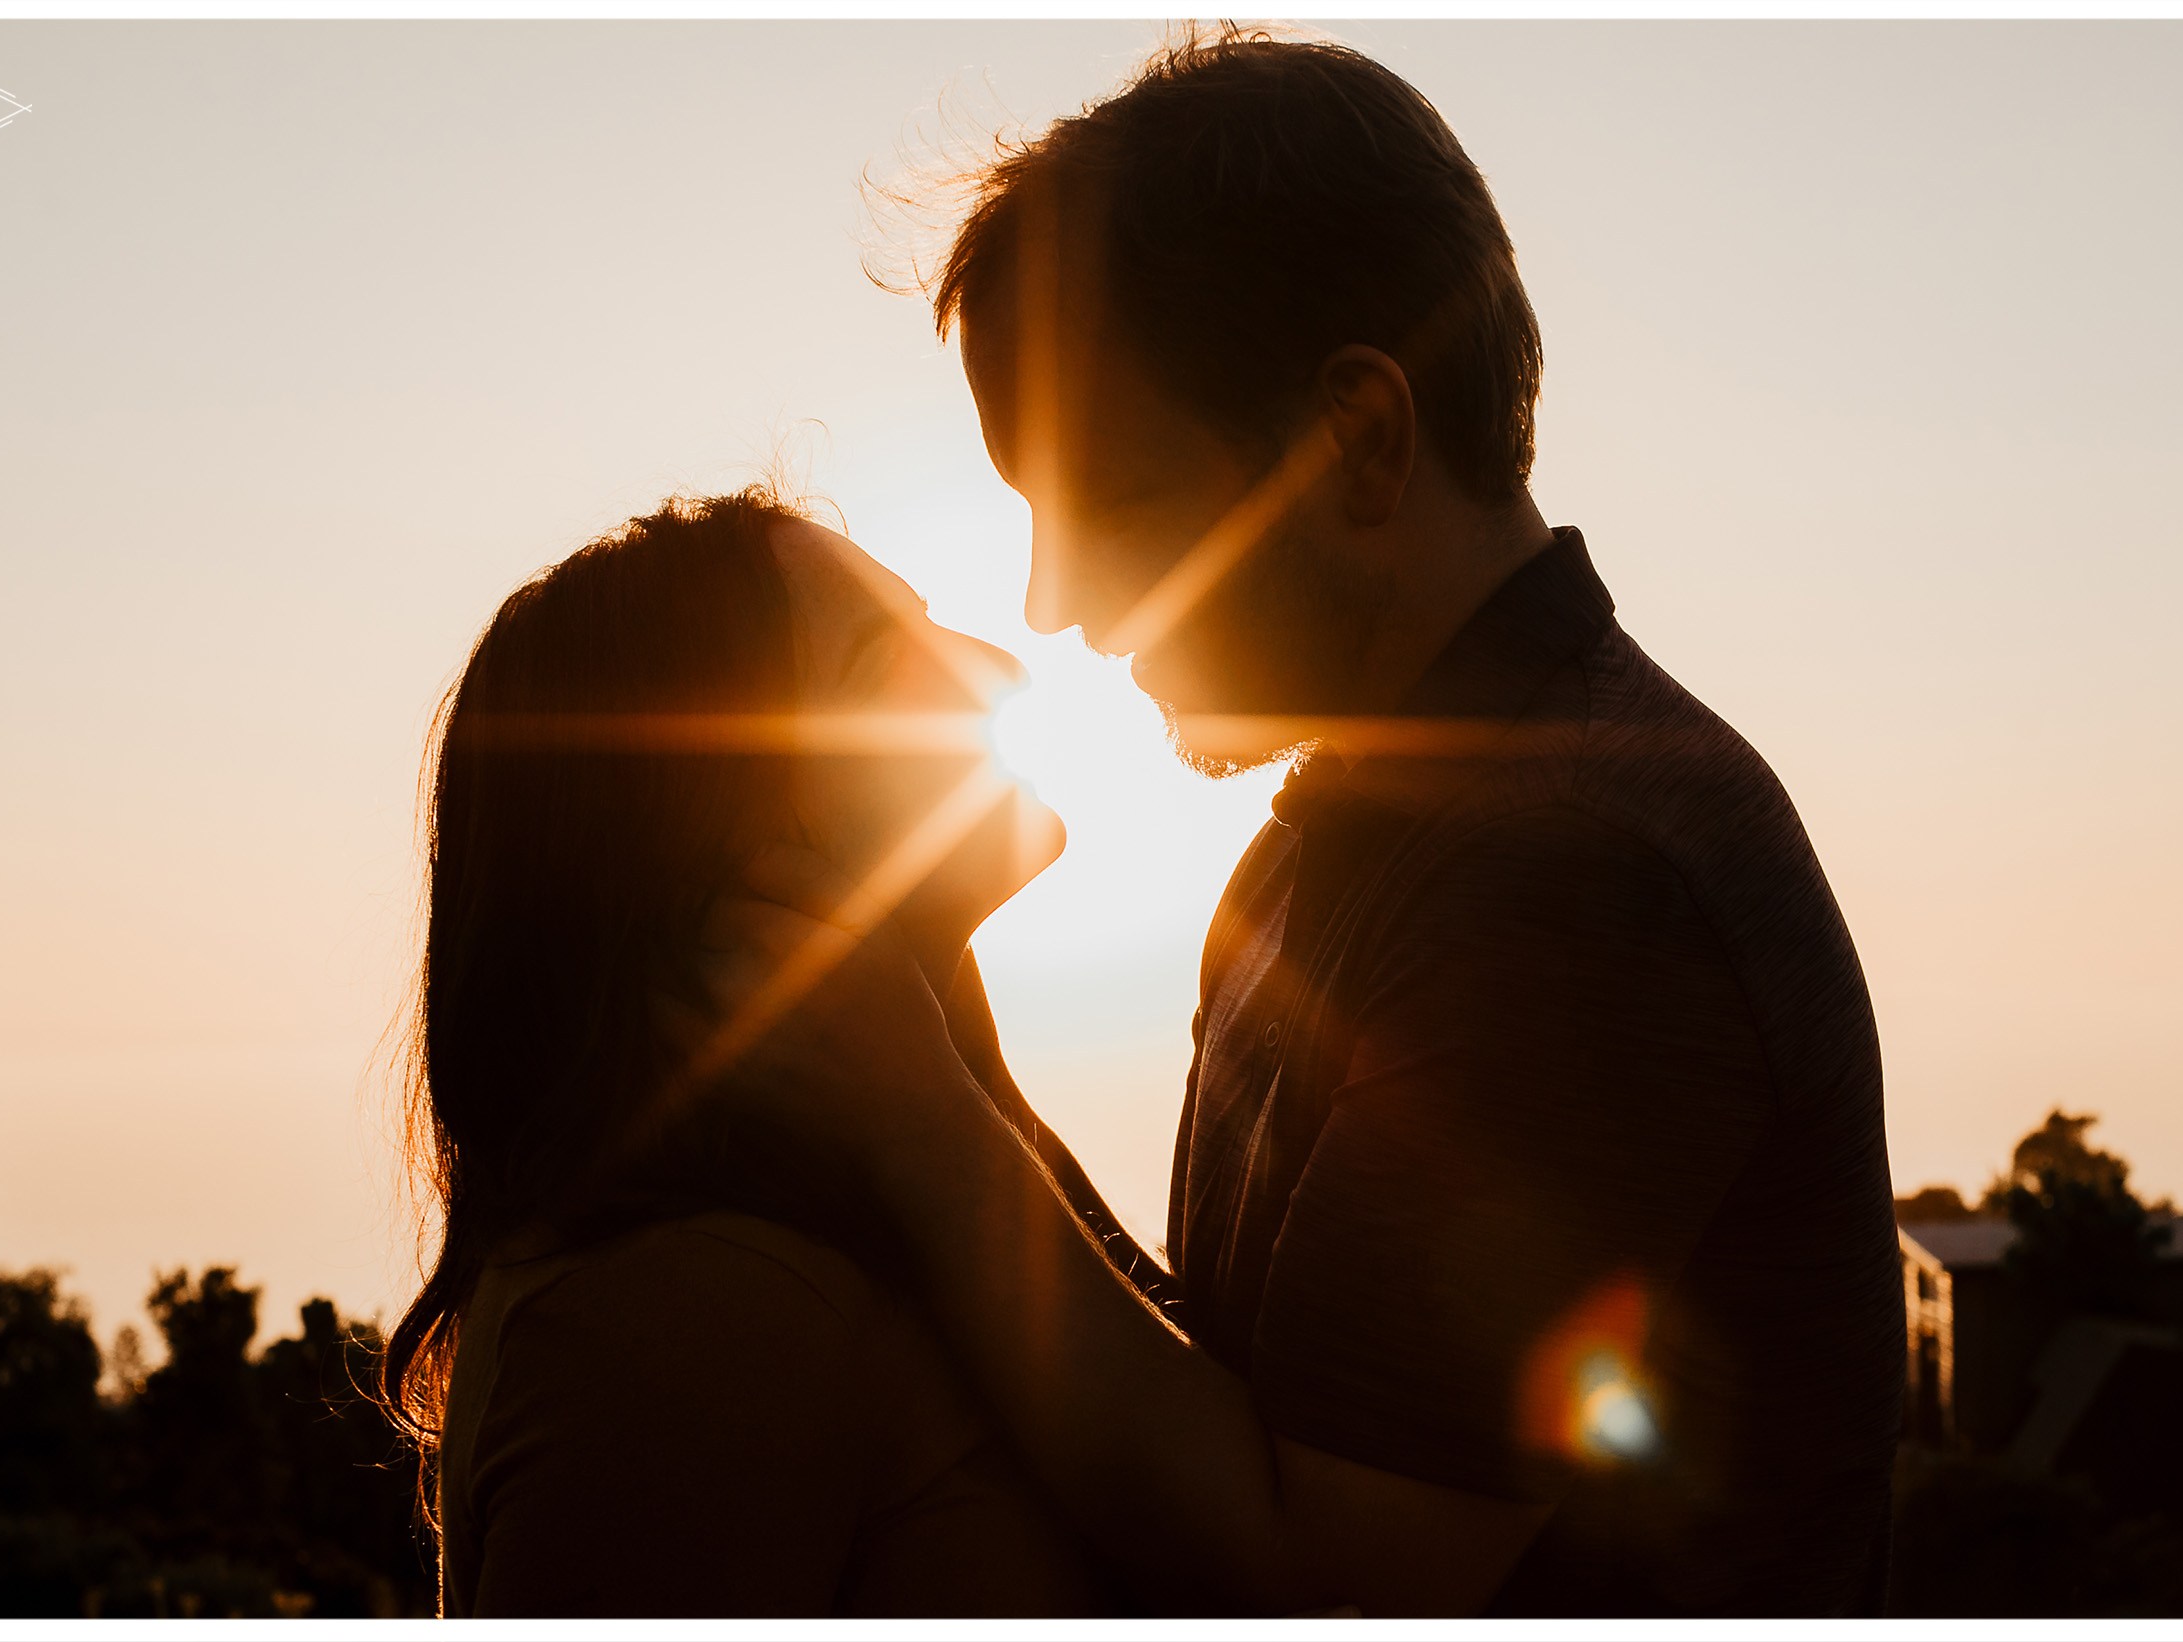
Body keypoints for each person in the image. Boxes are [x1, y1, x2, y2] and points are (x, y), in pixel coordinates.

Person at [696, 31, 1908, 1617]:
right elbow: (1235, 1384)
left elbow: (1327, 1561)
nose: (1054, 598)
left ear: (1357, 439)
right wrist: (933, 1055)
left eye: (1109, 501)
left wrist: (926, 1129)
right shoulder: (1340, 840)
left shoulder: (1581, 871)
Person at [380, 489, 1113, 1617]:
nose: (997, 666)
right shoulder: (684, 1320)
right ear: (732, 836)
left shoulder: (904, 1186)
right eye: (888, 659)